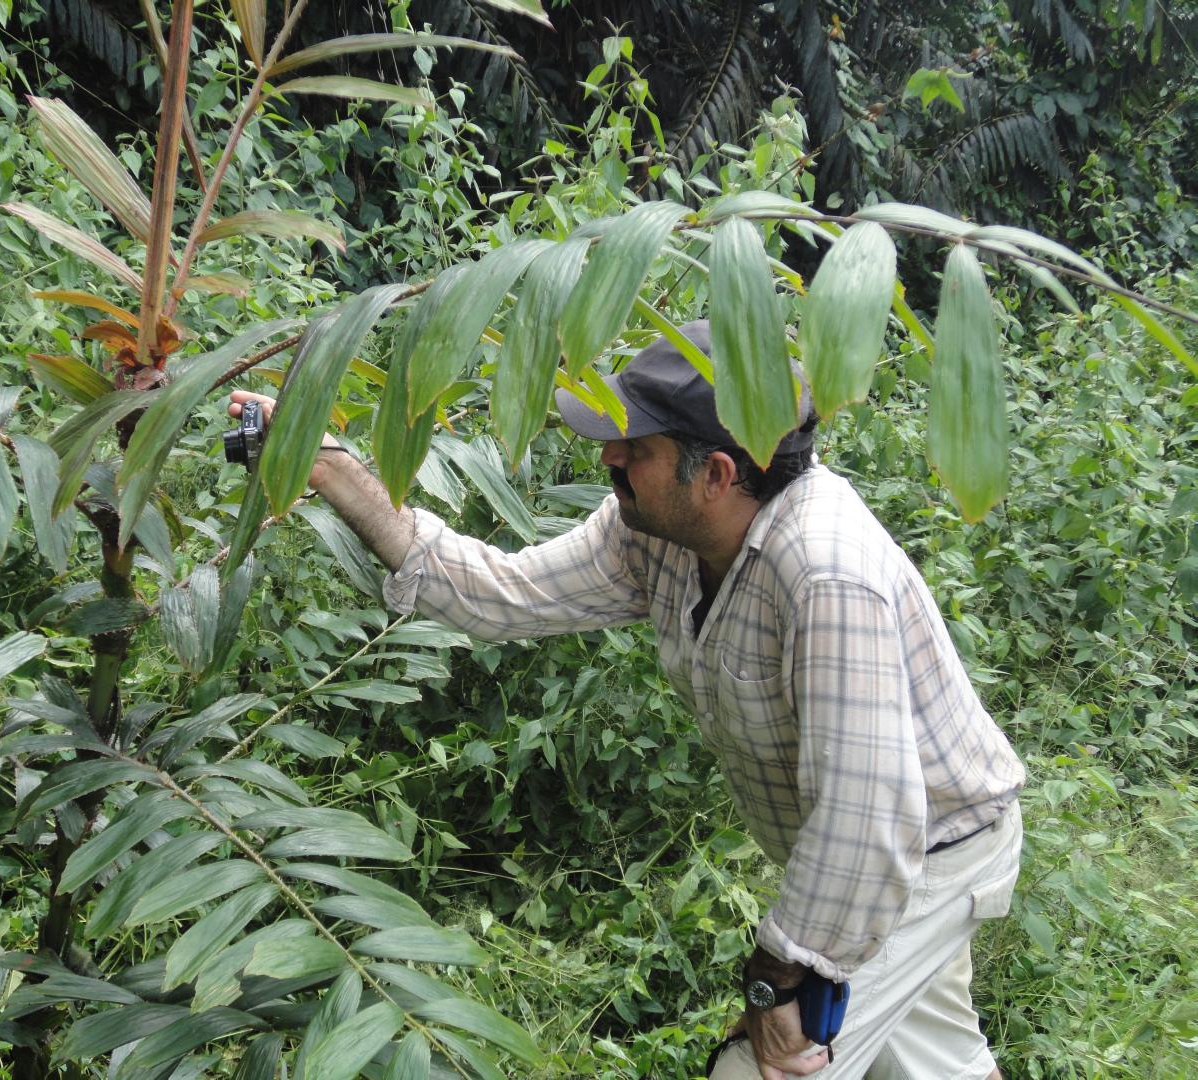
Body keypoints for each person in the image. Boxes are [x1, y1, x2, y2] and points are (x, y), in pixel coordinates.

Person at [228, 319, 1026, 1080]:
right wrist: (330, 466)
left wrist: (778, 979)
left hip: (926, 853)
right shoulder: (654, 530)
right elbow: (499, 594)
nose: (609, 455)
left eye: (634, 445)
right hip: (871, 847)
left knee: (761, 1069)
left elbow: (868, 817)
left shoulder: (824, 575)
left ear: (714, 474)